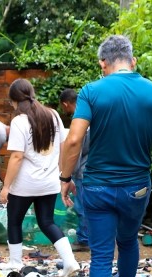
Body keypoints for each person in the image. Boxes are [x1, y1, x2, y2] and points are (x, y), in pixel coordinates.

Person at [59, 35, 152, 277]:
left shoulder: (91, 92)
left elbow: (73, 139)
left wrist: (65, 178)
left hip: (98, 187)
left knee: (101, 255)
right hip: (136, 189)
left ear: (103, 63)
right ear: (133, 61)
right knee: (128, 242)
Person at [0, 78, 80, 277]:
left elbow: (17, 157)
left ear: (14, 100)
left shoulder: (19, 121)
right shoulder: (53, 115)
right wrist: (64, 176)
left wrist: (6, 186)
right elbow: (64, 147)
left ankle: (16, 264)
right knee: (47, 222)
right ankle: (70, 262)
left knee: (15, 221)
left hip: (25, 185)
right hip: (50, 182)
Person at [59, 88, 90, 252]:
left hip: (83, 173)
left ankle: (84, 240)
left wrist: (68, 175)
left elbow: (76, 150)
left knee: (82, 208)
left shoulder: (80, 121)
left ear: (66, 104)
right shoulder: (92, 115)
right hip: (96, 171)